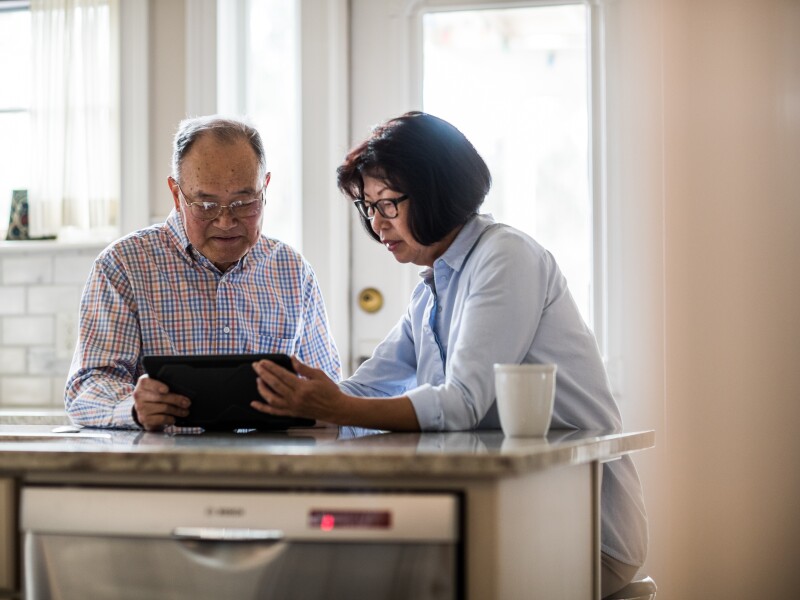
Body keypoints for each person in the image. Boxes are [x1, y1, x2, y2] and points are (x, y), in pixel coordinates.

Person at [249, 111, 647, 596]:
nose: (376, 223)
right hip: (515, 509)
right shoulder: (432, 289)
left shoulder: (505, 257)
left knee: (358, 571)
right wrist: (278, 402)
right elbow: (362, 390)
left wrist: (334, 406)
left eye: (388, 204)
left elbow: (461, 402)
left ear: (437, 193)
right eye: (368, 207)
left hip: (583, 527)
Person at [65, 115, 341, 431]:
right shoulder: (124, 265)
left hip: (271, 469)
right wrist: (132, 406)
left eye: (244, 202)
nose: (226, 221)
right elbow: (84, 389)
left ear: (264, 188)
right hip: (162, 470)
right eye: (206, 206)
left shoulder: (292, 271)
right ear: (176, 193)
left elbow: (328, 389)